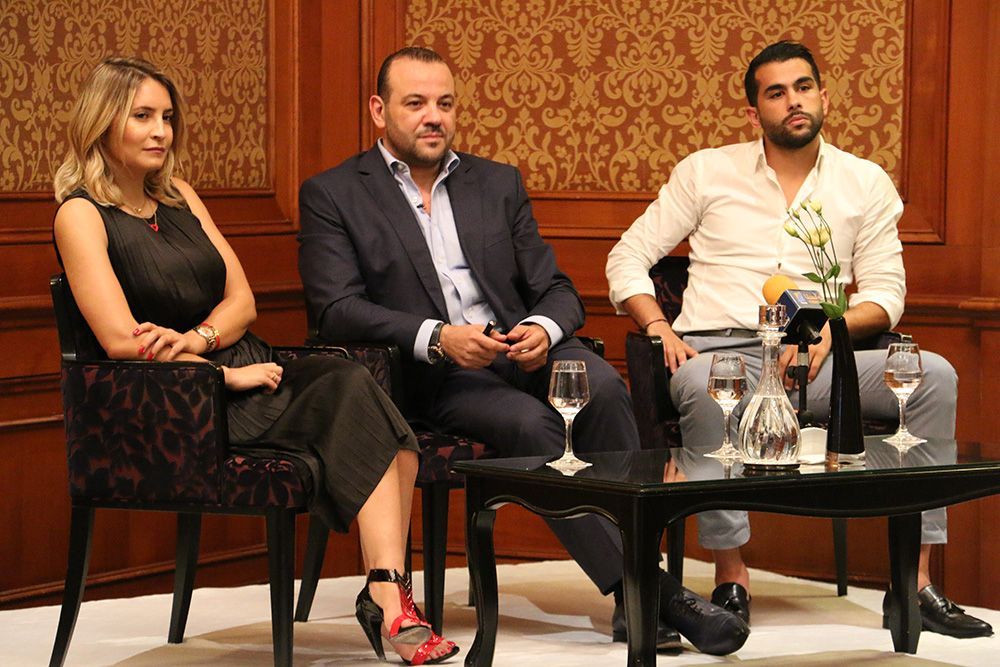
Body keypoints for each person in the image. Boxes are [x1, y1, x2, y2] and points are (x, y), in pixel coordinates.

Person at [297, 45, 750, 655]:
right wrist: (438, 337)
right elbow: (335, 308)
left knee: (603, 387)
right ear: (379, 111)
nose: (434, 117)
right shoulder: (334, 193)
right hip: (435, 373)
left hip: (520, 349)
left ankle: (636, 592)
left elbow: (556, 288)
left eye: (445, 103)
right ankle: (648, 591)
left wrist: (541, 327)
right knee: (534, 426)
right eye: (416, 103)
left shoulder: (495, 182)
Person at [52, 57, 459, 665]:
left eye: (167, 117)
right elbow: (119, 341)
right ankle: (390, 602)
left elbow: (242, 302)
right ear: (102, 122)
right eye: (142, 117)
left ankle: (385, 589)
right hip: (180, 398)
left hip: (239, 363)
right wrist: (220, 374)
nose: (161, 131)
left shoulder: (180, 197)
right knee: (363, 403)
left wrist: (201, 339)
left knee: (368, 400)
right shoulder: (80, 214)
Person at [606, 40, 992, 639]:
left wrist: (829, 333)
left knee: (932, 376)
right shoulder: (705, 172)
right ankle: (731, 577)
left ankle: (912, 584)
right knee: (708, 385)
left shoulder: (864, 182)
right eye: (776, 92)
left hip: (817, 355)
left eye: (804, 87)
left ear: (824, 97)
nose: (793, 101)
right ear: (754, 111)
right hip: (723, 354)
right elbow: (627, 256)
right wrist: (657, 324)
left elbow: (886, 294)